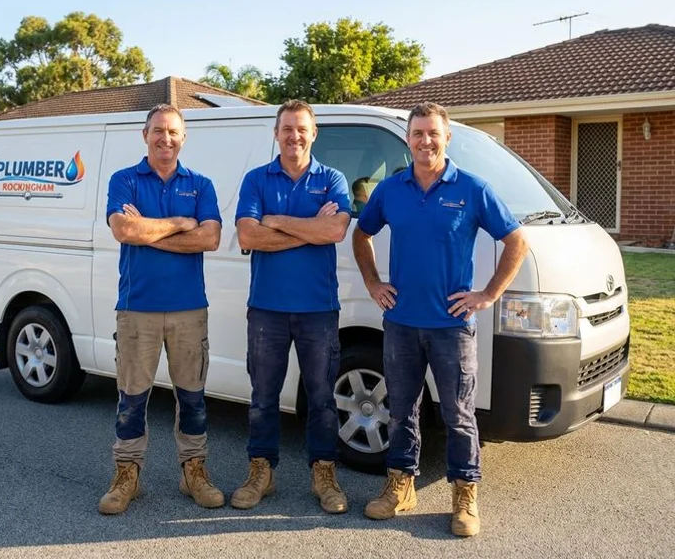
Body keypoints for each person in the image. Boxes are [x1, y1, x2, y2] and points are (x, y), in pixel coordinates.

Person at [352, 101, 529, 536]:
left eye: (433, 133)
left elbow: (515, 241)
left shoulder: (471, 188)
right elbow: (361, 234)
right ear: (408, 139)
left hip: (451, 326)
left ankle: (465, 496)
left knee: (458, 414)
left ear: (446, 138)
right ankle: (400, 486)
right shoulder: (391, 190)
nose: (425, 141)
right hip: (401, 323)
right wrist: (374, 283)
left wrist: (488, 294)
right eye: (417, 134)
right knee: (400, 412)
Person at [99, 103, 224, 515]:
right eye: (157, 131)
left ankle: (193, 472)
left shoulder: (201, 184)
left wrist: (149, 231)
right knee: (131, 399)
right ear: (145, 135)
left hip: (190, 309)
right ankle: (127, 475)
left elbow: (209, 239)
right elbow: (123, 229)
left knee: (192, 398)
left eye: (173, 132)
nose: (165, 138)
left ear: (183, 138)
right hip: (137, 310)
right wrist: (180, 222)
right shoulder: (124, 180)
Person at [231, 100, 352, 514]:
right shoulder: (255, 179)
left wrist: (276, 220)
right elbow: (248, 236)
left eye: (302, 129)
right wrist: (309, 229)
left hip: (319, 308)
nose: (294, 135)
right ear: (276, 133)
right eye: (287, 129)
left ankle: (324, 474)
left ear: (313, 133)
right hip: (266, 308)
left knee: (321, 398)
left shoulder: (333, 178)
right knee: (263, 397)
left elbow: (336, 228)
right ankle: (261, 472)